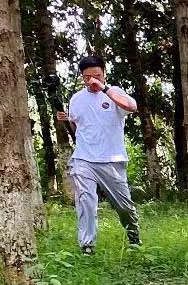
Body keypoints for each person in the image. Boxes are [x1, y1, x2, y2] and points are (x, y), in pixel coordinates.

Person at [57, 56, 141, 255]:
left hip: (112, 159)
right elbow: (77, 126)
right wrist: (67, 120)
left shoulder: (114, 93)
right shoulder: (76, 99)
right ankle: (87, 246)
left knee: (124, 206)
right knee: (85, 201)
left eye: (97, 75)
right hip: (84, 158)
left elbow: (132, 107)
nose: (92, 80)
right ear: (82, 77)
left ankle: (133, 236)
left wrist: (104, 88)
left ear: (104, 74)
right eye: (88, 77)